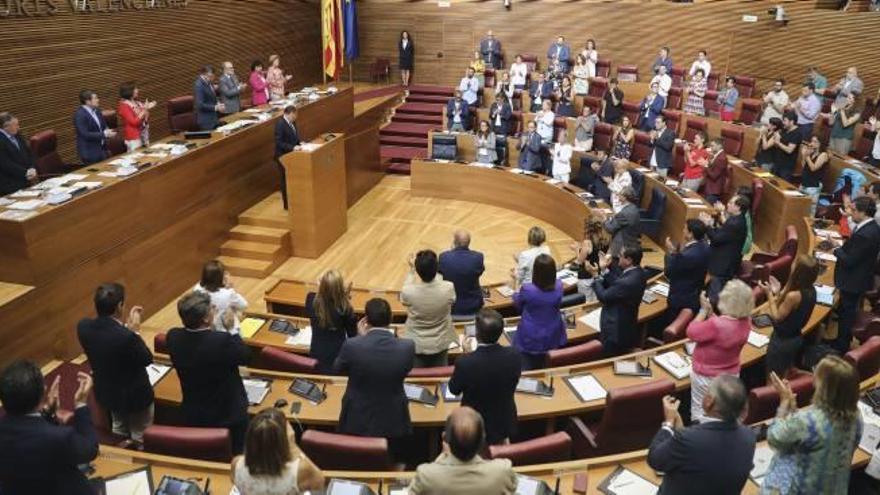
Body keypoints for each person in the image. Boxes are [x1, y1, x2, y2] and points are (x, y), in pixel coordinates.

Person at [761, 356, 863, 494]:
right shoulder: (856, 415)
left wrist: (784, 403)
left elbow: (775, 438)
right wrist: (793, 410)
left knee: (779, 462)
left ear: (826, 388)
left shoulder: (809, 421)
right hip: (836, 489)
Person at [167, 291, 250, 453]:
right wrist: (232, 329)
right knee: (237, 453)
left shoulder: (173, 337)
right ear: (205, 318)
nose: (214, 309)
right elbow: (245, 356)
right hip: (228, 414)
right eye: (211, 308)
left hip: (194, 412)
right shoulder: (221, 341)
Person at [0, 361, 98, 495]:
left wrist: (46, 412)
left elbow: (28, 435)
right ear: (43, 392)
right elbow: (89, 450)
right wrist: (81, 404)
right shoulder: (60, 437)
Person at [647, 376, 755, 495]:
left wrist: (668, 423)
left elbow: (655, 460)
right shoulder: (749, 436)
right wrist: (680, 427)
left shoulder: (688, 439)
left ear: (709, 401)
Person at [76, 283, 153, 444]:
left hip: (108, 393)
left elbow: (109, 342)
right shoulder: (127, 338)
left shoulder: (83, 327)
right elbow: (146, 358)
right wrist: (135, 331)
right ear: (120, 306)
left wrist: (126, 330)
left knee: (118, 429)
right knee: (140, 434)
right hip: (135, 397)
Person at [335, 298, 415, 440]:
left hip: (356, 417)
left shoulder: (352, 345)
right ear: (391, 318)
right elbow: (404, 369)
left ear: (365, 320)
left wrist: (360, 338)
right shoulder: (407, 347)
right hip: (393, 418)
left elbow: (338, 369)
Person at [448, 310, 521, 445]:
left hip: (473, 426)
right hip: (503, 421)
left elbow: (454, 389)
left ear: (476, 334)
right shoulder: (514, 355)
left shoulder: (465, 363)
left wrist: (467, 355)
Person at [408, 407, 518, 494]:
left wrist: (443, 456)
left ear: (445, 438)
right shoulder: (502, 471)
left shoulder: (426, 475)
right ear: (482, 439)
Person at [685, 280, 752, 423]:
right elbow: (725, 328)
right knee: (725, 411)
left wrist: (703, 311)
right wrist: (711, 313)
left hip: (706, 377)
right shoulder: (747, 321)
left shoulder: (716, 325)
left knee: (700, 412)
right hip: (730, 375)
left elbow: (691, 332)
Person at [232, 408, 325, 495]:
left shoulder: (237, 464)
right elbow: (320, 482)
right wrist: (293, 445)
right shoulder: (299, 471)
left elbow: (235, 482)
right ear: (284, 441)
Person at [830, 196, 880, 353]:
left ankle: (841, 346)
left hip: (853, 280)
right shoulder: (870, 227)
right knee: (846, 312)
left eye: (853, 210)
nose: (850, 214)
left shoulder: (866, 233)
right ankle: (841, 340)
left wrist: (836, 249)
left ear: (863, 212)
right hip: (858, 276)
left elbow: (850, 260)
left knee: (847, 314)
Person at [759, 256, 818, 377]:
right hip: (796, 337)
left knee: (772, 379)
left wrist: (768, 294)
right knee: (785, 373)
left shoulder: (793, 296)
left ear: (798, 271)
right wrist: (778, 292)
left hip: (781, 342)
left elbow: (776, 316)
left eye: (794, 264)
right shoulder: (812, 290)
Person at [585, 245, 647, 356]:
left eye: (621, 256)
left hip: (615, 329)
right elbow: (618, 283)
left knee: (609, 358)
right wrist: (604, 269)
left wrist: (595, 276)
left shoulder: (626, 282)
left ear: (629, 260)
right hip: (628, 323)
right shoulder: (639, 273)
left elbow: (604, 296)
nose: (618, 257)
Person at [401, 250, 457, 367]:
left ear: (417, 270)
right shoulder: (448, 287)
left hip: (416, 344)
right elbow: (453, 300)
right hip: (441, 341)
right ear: (436, 268)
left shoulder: (408, 292)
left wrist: (411, 271)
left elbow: (403, 297)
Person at [511, 253, 565, 369]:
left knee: (526, 369)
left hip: (531, 336)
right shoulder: (559, 286)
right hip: (553, 332)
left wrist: (516, 281)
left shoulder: (528, 289)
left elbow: (518, 304)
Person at [304, 270, 357, 375]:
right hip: (338, 356)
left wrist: (322, 289)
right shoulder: (345, 308)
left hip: (316, 353)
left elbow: (321, 301)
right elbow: (352, 335)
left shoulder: (310, 299)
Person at [700, 195, 749, 301]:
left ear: (738, 207)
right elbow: (724, 234)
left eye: (731, 203)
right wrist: (712, 226)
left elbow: (716, 239)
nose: (728, 204)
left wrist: (707, 225)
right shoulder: (736, 219)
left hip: (722, 266)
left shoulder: (735, 223)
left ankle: (711, 312)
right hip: (725, 260)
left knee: (714, 296)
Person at [664, 219, 710, 319]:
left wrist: (671, 253)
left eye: (685, 229)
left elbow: (669, 272)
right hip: (694, 294)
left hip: (680, 299)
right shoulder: (706, 247)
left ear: (691, 234)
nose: (683, 230)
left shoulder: (686, 256)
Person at [193, 259, 248, 333]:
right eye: (224, 274)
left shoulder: (196, 289)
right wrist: (231, 288)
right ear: (220, 278)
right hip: (227, 330)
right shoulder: (228, 293)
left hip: (207, 330)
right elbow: (244, 305)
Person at [439, 230, 485, 317]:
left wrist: (451, 252)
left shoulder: (444, 257)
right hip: (474, 305)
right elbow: (480, 271)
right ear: (469, 243)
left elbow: (440, 273)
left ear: (454, 242)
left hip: (451, 306)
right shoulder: (478, 257)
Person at [0, 112, 37, 196]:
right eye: (16, 125)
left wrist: (32, 167)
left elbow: (29, 152)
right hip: (10, 185)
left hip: (25, 180)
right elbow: (5, 164)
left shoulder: (17, 134)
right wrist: (25, 172)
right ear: (6, 127)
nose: (18, 127)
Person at [74, 90, 115, 165]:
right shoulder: (80, 115)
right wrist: (104, 134)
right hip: (90, 153)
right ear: (87, 101)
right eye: (95, 98)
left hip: (102, 150)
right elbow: (85, 134)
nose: (98, 100)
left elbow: (103, 125)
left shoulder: (97, 110)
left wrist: (108, 130)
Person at [274, 105, 300, 210]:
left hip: (291, 155)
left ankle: (294, 201)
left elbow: (295, 136)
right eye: (294, 115)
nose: (295, 118)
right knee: (285, 181)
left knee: (292, 179)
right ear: (289, 114)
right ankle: (287, 205)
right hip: (282, 157)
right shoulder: (280, 125)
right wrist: (293, 147)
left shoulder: (292, 122)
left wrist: (299, 143)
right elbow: (279, 143)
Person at [602, 185, 640, 257]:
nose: (618, 196)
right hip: (631, 241)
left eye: (620, 194)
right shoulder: (634, 208)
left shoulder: (624, 213)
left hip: (620, 244)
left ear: (625, 197)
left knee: (611, 263)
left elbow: (610, 228)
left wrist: (604, 218)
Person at [117, 82, 155, 151]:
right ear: (129, 91)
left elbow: (144, 117)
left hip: (143, 134)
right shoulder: (124, 106)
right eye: (135, 89)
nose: (138, 90)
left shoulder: (137, 103)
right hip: (134, 138)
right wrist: (144, 110)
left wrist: (147, 109)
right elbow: (134, 122)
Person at [799, 135, 828, 215]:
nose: (812, 144)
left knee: (809, 210)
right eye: (811, 141)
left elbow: (813, 168)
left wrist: (807, 156)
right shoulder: (811, 153)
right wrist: (804, 155)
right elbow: (803, 165)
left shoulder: (823, 155)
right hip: (804, 182)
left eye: (815, 142)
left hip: (813, 185)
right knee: (800, 206)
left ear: (820, 143)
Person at [772, 111, 802, 182]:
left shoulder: (797, 133)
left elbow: (789, 150)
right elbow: (776, 145)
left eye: (785, 120)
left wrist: (778, 142)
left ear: (791, 121)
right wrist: (776, 139)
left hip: (786, 168)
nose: (783, 122)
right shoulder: (784, 130)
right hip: (777, 163)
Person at [193, 65, 223, 130]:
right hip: (206, 121)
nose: (213, 78)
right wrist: (215, 107)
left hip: (213, 119)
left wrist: (218, 103)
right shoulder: (199, 85)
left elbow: (212, 96)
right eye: (211, 76)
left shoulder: (208, 82)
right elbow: (199, 105)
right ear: (205, 74)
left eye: (213, 76)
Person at [703, 138, 728, 204]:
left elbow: (714, 176)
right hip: (710, 188)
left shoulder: (722, 158)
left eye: (712, 146)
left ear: (719, 146)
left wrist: (705, 165)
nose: (711, 148)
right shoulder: (717, 155)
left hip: (713, 190)